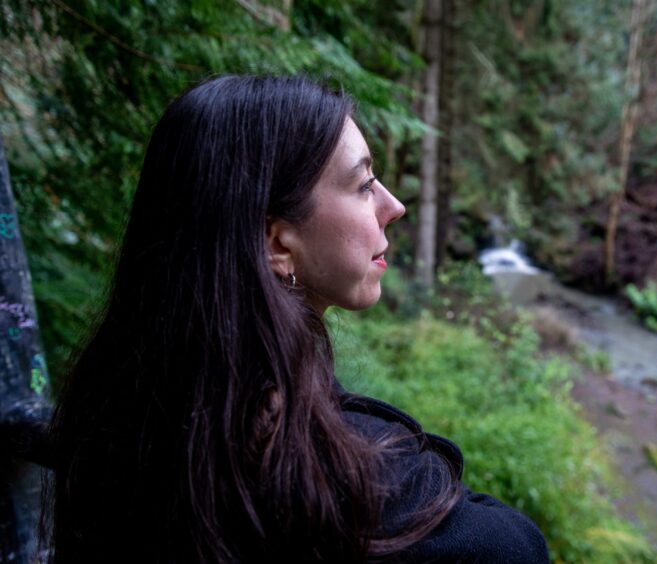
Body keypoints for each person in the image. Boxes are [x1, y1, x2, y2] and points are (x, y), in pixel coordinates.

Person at [44, 75, 548, 563]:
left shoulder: (120, 404)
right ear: (277, 242)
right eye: (363, 184)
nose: (393, 206)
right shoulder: (322, 464)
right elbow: (518, 548)